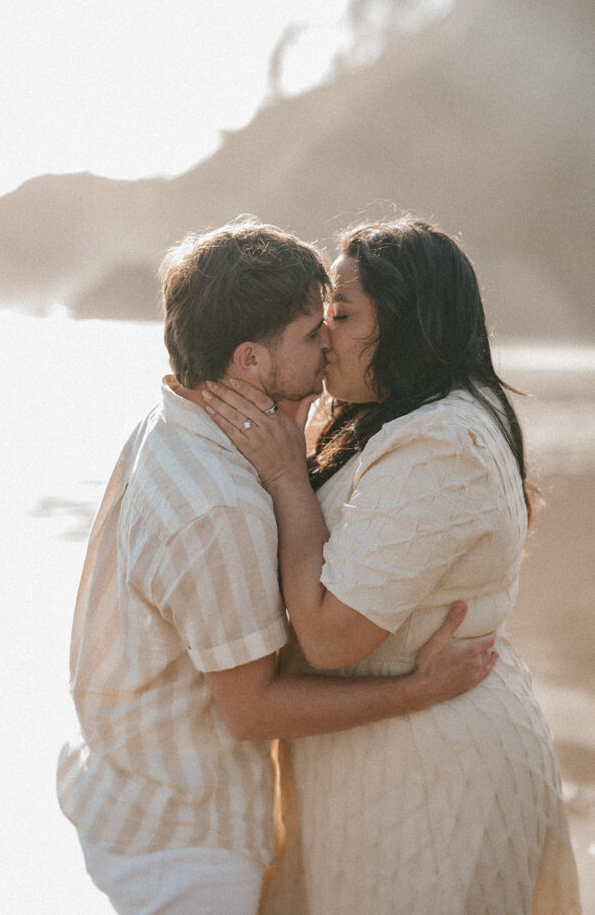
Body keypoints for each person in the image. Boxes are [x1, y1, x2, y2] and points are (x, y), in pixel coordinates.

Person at [56, 216, 498, 915]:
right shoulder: (220, 505)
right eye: (311, 331)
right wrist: (416, 690)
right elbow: (251, 708)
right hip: (185, 842)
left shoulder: (182, 415)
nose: (329, 342)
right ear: (250, 363)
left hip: (131, 788)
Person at [204, 215, 582, 915]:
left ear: (408, 322)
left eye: (343, 315)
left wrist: (289, 477)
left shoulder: (441, 443)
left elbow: (329, 637)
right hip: (389, 755)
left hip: (432, 779)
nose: (324, 336)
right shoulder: (400, 419)